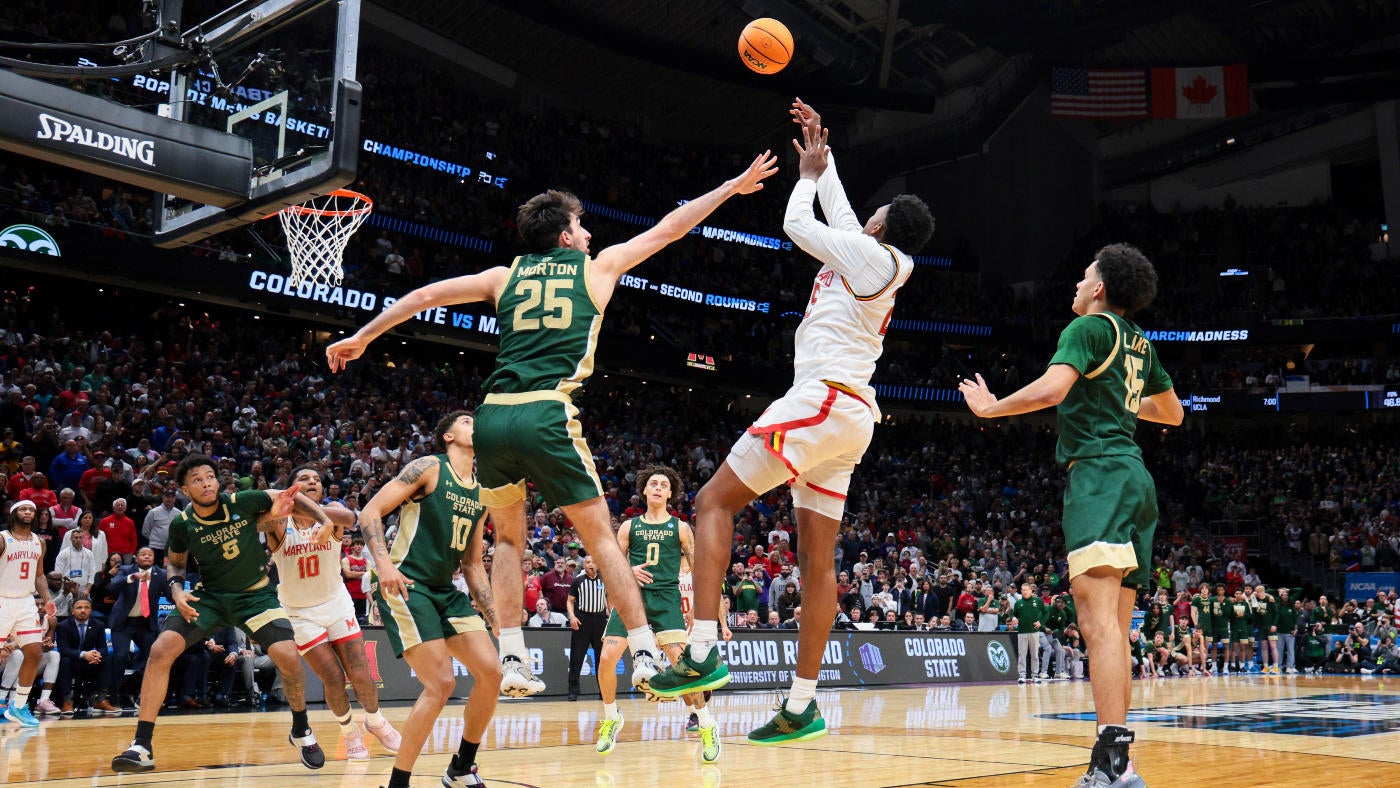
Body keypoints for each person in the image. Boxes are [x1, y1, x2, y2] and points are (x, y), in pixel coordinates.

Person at [327, 151, 779, 700]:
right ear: (565, 237)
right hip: (547, 410)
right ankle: (642, 652)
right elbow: (669, 229)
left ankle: (513, 656)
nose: (588, 234)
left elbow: (424, 296)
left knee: (509, 541)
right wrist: (732, 185)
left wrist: (365, 337)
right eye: (581, 226)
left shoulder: (502, 275)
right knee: (603, 540)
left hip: (492, 416)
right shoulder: (597, 270)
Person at [647, 99, 934, 748]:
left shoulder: (871, 259)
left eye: (874, 217)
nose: (865, 219)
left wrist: (805, 178)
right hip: (847, 416)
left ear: (884, 226)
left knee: (712, 501)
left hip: (823, 399)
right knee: (817, 562)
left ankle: (701, 651)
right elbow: (843, 216)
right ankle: (802, 703)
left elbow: (799, 222)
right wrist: (820, 157)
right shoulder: (876, 256)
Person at [959, 243, 1183, 788]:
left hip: (1100, 478)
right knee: (1115, 631)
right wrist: (1122, 405)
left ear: (1101, 288)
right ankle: (1121, 762)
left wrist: (992, 408)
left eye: (1084, 278)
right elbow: (1173, 413)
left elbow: (1054, 389)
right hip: (1137, 481)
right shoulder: (1140, 342)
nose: (1077, 287)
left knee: (1097, 625)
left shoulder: (1086, 330)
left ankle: (1110, 761)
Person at [110, 454, 336, 773]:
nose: (205, 483)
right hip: (211, 597)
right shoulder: (182, 523)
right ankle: (141, 746)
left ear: (218, 481)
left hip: (254, 595)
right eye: (197, 480)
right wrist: (176, 589)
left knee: (287, 655)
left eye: (209, 477)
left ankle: (301, 729)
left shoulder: (242, 501)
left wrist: (325, 521)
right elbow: (174, 562)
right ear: (186, 490)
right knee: (161, 651)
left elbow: (290, 497)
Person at [357, 411, 501, 788]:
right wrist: (383, 565)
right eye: (467, 421)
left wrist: (493, 613)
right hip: (406, 582)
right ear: (448, 436)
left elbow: (471, 562)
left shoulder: (481, 489)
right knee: (441, 683)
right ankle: (398, 783)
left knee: (492, 672)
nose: (476, 425)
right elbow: (369, 511)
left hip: (445, 590)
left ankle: (460, 767)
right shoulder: (428, 467)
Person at [265, 465, 401, 761]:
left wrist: (322, 517)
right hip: (300, 614)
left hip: (336, 603)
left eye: (316, 479)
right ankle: (349, 731)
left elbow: (354, 518)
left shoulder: (335, 511)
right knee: (333, 678)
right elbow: (266, 507)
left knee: (361, 674)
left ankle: (375, 721)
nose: (312, 481)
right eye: (304, 478)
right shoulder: (279, 523)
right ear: (291, 488)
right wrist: (285, 503)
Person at [594, 467, 720, 764]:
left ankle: (705, 722)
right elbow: (608, 564)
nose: (658, 488)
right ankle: (612, 718)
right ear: (645, 491)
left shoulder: (681, 528)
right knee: (606, 659)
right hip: (632, 599)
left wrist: (705, 614)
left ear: (670, 493)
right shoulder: (628, 527)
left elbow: (700, 572)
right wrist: (627, 571)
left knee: (683, 671)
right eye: (653, 484)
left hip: (666, 601)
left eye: (664, 485)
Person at [0, 500, 54, 726]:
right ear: (14, 514)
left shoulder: (39, 542)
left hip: (25, 602)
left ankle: (18, 707)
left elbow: (39, 575)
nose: (28, 512)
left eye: (31, 510)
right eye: (23, 509)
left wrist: (48, 599)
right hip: (2, 599)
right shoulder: (3, 538)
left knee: (34, 653)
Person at [104, 547, 165, 712]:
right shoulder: (125, 570)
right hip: (123, 623)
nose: (146, 556)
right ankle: (114, 697)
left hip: (145, 624)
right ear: (136, 558)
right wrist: (132, 578)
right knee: (121, 656)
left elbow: (171, 593)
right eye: (143, 554)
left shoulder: (161, 574)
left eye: (150, 555)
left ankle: (141, 695)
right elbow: (113, 587)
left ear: (153, 558)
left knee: (153, 658)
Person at [565, 555, 607, 702]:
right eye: (588, 562)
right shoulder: (578, 581)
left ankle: (604, 691)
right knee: (576, 658)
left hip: (600, 621)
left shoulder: (604, 580)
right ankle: (573, 692)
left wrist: (609, 615)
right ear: (584, 565)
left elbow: (609, 599)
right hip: (582, 620)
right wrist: (572, 617)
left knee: (602, 659)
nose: (591, 564)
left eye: (593, 561)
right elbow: (570, 601)